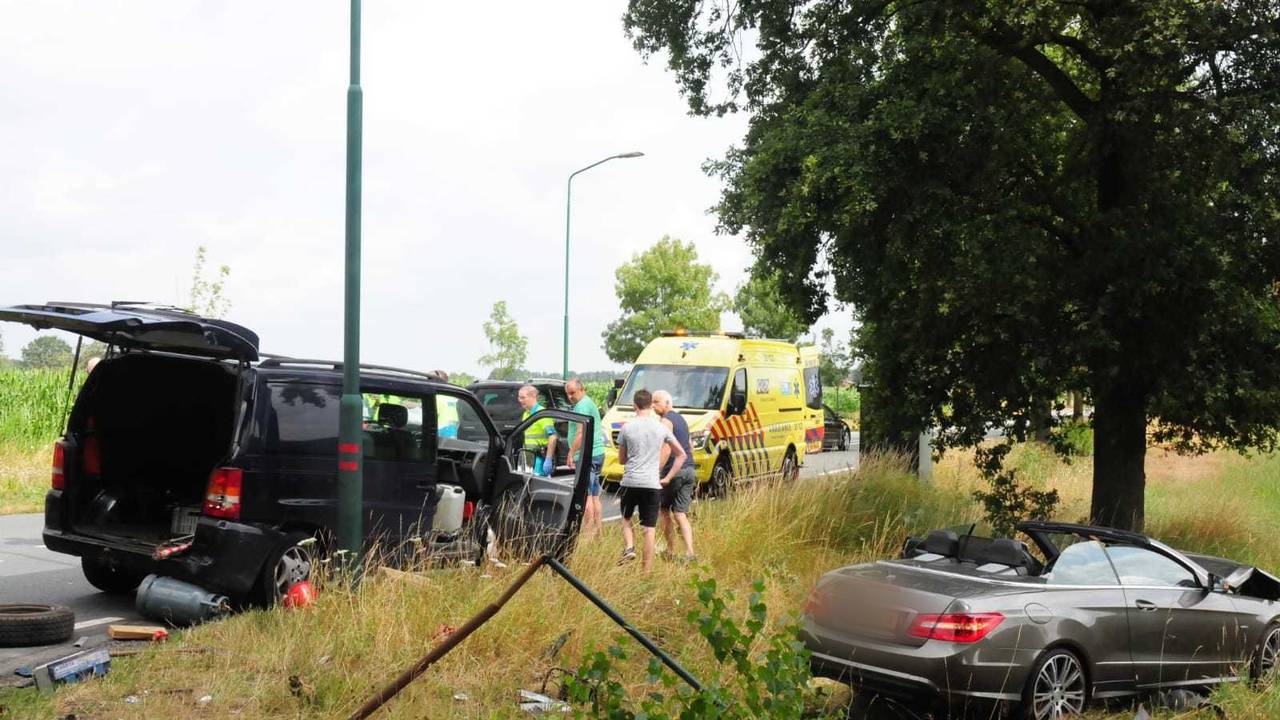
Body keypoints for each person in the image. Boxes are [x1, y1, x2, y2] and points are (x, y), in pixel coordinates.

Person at [616, 389, 686, 572]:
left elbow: (622, 460)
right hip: (652, 483)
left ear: (635, 406)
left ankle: (630, 547)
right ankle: (646, 572)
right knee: (649, 528)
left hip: (630, 481)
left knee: (626, 518)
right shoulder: (661, 427)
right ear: (650, 405)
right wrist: (668, 476)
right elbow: (681, 454)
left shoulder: (626, 428)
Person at [653, 390, 696, 561]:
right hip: (689, 470)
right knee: (680, 513)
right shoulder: (681, 419)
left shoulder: (666, 421)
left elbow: (666, 448)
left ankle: (670, 551)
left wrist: (658, 471)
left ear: (667, 402)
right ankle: (690, 552)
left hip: (674, 471)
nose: (653, 405)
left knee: (663, 511)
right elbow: (690, 446)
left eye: (656, 402)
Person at [565, 378, 607, 536]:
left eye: (572, 393)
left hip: (587, 455)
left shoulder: (581, 406)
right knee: (595, 495)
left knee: (586, 496)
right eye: (567, 394)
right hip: (597, 453)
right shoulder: (588, 402)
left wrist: (571, 453)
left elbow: (580, 433)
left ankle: (587, 534)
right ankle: (599, 533)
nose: (570, 397)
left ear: (582, 390)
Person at [517, 385, 557, 476]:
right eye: (519, 397)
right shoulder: (526, 414)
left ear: (533, 396)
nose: (520, 400)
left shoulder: (542, 414)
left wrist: (548, 459)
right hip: (530, 458)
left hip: (540, 458)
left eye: (523, 397)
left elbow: (553, 437)